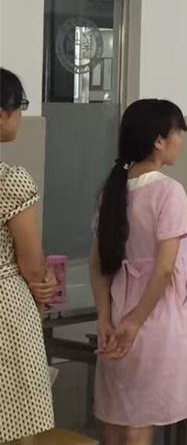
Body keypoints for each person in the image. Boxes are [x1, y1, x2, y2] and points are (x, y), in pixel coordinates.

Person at [90, 99, 187, 445]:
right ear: (158, 141)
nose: (181, 140)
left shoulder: (112, 191)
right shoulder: (168, 191)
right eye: (177, 133)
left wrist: (105, 318)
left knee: (118, 413)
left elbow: (98, 263)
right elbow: (164, 269)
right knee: (142, 417)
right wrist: (136, 321)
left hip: (119, 308)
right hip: (158, 316)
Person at [0, 68, 57, 442]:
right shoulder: (10, 180)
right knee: (17, 420)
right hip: (6, 310)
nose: (21, 115)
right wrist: (43, 283)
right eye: (19, 105)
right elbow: (32, 264)